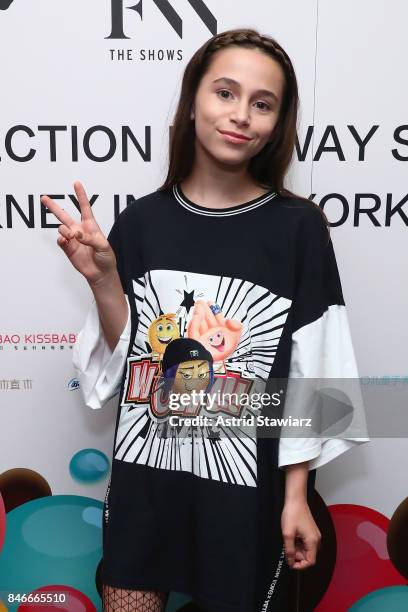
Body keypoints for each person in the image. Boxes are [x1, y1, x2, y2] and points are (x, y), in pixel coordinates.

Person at [40, 27, 370, 612]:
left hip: (244, 503)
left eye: (262, 103)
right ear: (193, 99)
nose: (241, 115)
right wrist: (103, 282)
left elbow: (317, 377)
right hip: (146, 492)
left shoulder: (297, 229)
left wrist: (297, 495)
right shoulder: (142, 223)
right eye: (225, 92)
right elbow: (125, 366)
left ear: (277, 121)